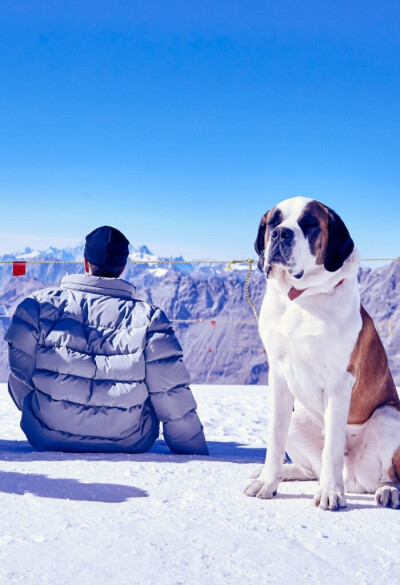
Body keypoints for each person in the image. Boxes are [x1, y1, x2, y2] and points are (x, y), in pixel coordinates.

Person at [5, 226, 208, 455]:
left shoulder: (38, 305)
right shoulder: (150, 318)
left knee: (21, 371)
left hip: (44, 434)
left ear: (85, 262)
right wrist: (192, 449)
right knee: (156, 379)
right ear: (123, 268)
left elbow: (20, 372)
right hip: (130, 440)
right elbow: (170, 389)